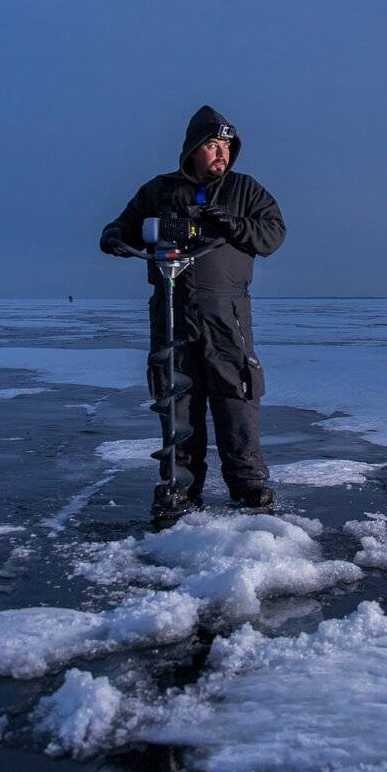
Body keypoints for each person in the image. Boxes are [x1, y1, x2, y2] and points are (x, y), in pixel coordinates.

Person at [99, 106, 285, 508]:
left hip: (226, 313)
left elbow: (272, 235)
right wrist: (115, 237)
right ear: (192, 150)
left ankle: (248, 483)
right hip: (171, 309)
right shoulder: (158, 190)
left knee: (237, 392)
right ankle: (179, 485)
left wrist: (232, 225)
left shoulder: (245, 190)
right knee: (176, 395)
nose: (221, 153)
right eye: (212, 145)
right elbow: (122, 226)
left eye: (226, 146)